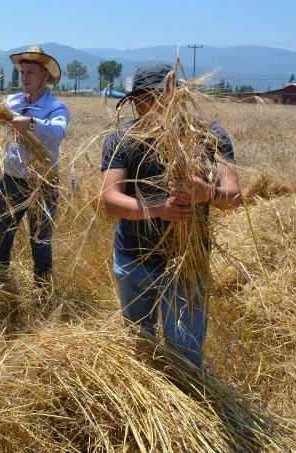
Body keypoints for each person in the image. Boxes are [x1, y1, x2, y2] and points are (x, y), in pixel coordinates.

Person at [100, 63, 242, 367]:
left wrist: (207, 193)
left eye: (160, 97)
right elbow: (110, 200)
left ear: (178, 97)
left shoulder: (208, 136)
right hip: (134, 260)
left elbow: (233, 197)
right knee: (140, 349)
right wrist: (159, 209)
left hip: (186, 264)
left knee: (185, 355)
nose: (152, 107)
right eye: (144, 99)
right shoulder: (121, 138)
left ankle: (189, 404)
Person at [0, 45, 70, 294]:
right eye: (22, 72)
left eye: (31, 72)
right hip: (11, 181)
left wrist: (32, 124)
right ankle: (0, 290)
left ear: (45, 76)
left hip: (43, 183)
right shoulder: (10, 102)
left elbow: (59, 131)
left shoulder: (56, 107)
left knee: (40, 242)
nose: (25, 77)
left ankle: (42, 296)